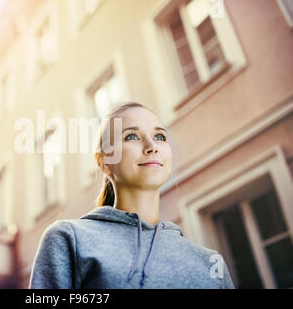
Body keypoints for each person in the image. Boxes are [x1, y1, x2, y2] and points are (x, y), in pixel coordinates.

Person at [29, 101, 235, 289]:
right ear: (104, 162)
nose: (152, 147)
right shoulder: (69, 238)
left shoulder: (210, 262)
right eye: (132, 136)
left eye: (160, 137)